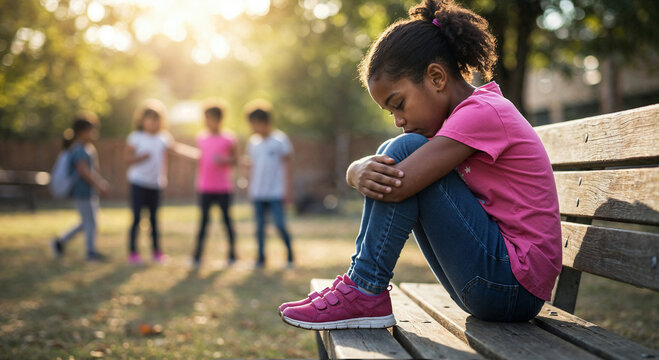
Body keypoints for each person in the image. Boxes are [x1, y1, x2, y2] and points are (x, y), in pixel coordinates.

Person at [280, 0, 561, 330]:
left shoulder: (484, 112)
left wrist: (354, 173)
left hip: (511, 284)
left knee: (404, 149)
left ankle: (365, 287)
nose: (398, 119)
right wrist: (355, 169)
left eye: (399, 105)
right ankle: (362, 285)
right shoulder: (464, 118)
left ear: (437, 77)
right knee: (398, 147)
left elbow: (398, 180)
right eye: (390, 112)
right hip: (496, 283)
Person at [125, 99, 197, 264]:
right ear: (142, 121)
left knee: (154, 219)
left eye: (157, 120)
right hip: (138, 183)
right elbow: (127, 159)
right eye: (150, 120)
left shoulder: (163, 138)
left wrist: (198, 155)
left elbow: (177, 150)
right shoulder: (136, 137)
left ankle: (156, 252)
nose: (154, 123)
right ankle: (133, 253)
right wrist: (140, 157)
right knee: (136, 218)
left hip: (155, 184)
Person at [51, 112, 110, 261]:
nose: (94, 133)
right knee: (90, 222)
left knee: (86, 222)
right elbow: (83, 171)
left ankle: (60, 241)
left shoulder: (87, 148)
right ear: (81, 132)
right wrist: (99, 184)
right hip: (82, 192)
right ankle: (91, 252)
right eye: (91, 130)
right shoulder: (78, 149)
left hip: (88, 192)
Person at [244, 100, 294, 268]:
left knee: (279, 225)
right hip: (258, 192)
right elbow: (252, 166)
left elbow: (287, 167)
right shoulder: (253, 142)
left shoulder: (280, 141)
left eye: (254, 124)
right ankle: (260, 258)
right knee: (259, 228)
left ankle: (290, 256)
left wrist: (287, 190)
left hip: (276, 192)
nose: (252, 128)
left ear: (264, 122)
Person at [192, 100, 238, 267]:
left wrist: (225, 159)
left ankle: (232, 255)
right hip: (205, 188)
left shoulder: (229, 138)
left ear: (219, 119)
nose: (208, 122)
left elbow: (236, 159)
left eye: (211, 118)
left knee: (226, 221)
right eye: (206, 118)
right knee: (203, 222)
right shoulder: (201, 138)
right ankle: (197, 256)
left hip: (223, 188)